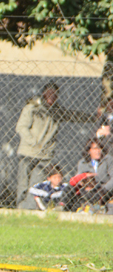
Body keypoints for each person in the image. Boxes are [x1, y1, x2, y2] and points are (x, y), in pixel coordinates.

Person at [15, 81, 96, 209]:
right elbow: (21, 127)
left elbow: (73, 115)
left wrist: (93, 117)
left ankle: (29, 210)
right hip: (27, 152)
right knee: (23, 184)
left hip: (44, 155)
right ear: (43, 93)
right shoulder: (32, 108)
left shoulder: (57, 111)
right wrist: (33, 142)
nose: (52, 96)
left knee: (36, 185)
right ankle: (20, 209)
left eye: (55, 93)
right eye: (49, 92)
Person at [69, 138, 113, 213]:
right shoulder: (83, 163)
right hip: (89, 189)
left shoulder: (108, 159)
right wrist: (83, 183)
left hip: (104, 189)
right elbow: (78, 178)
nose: (98, 151)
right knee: (70, 188)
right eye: (95, 149)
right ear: (89, 151)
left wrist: (104, 189)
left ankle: (96, 208)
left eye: (99, 148)